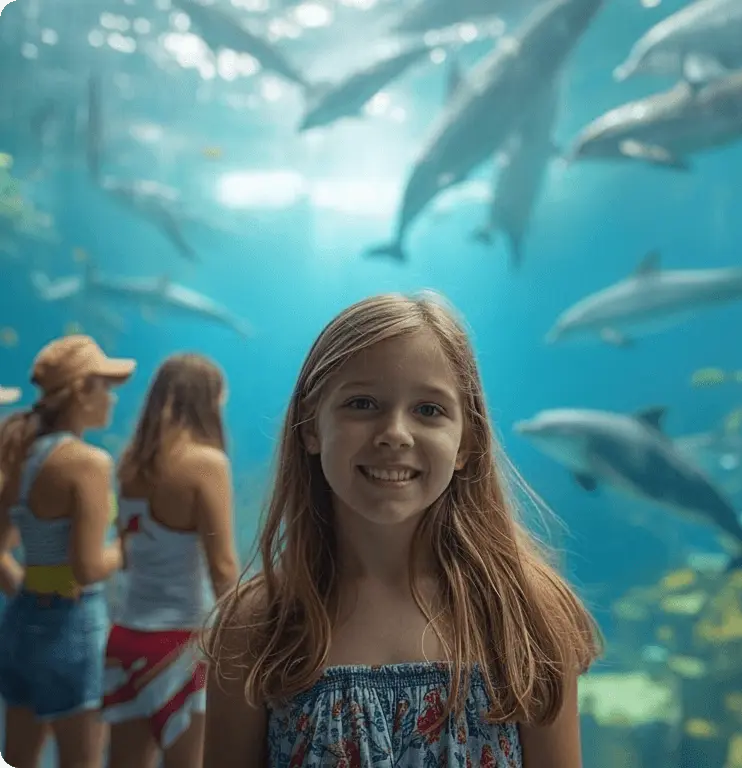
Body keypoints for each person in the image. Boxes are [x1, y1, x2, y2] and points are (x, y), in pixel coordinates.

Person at [202, 292, 603, 768]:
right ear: (310, 426)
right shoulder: (257, 625)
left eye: (429, 410)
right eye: (363, 403)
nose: (395, 432)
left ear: (466, 443)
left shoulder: (525, 612)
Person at [0, 334, 135, 768]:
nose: (113, 399)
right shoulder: (89, 463)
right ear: (81, 391)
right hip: (72, 625)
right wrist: (128, 545)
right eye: (105, 387)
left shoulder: (20, 453)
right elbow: (89, 566)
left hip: (20, 622)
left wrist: (29, 589)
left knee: (19, 756)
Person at [103, 353, 241, 768]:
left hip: (125, 639)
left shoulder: (130, 464)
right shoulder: (205, 463)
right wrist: (246, 639)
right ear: (208, 400)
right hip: (180, 645)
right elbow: (223, 567)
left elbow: (128, 554)